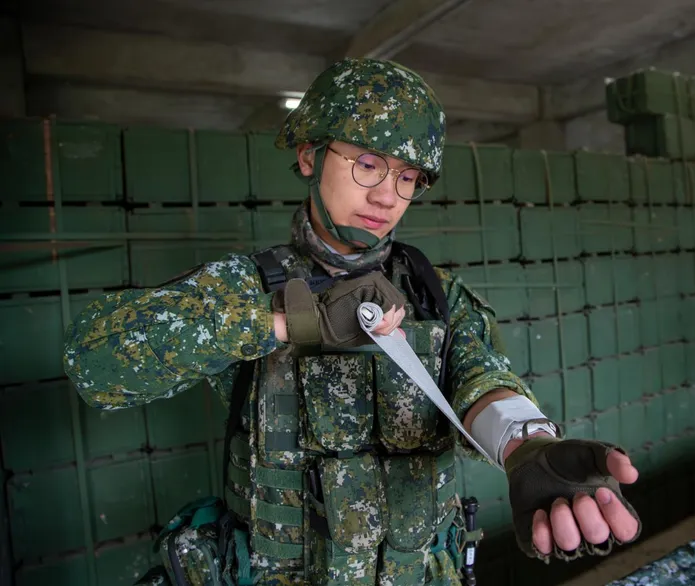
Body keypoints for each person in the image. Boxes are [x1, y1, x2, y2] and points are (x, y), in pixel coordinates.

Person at [63, 58, 642, 586]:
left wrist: (528, 446)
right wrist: (288, 323)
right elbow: (93, 364)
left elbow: (483, 379)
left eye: (407, 177)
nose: (387, 196)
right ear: (310, 157)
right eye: (367, 164)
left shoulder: (433, 294)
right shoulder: (246, 287)